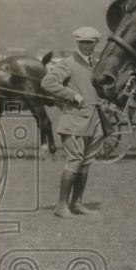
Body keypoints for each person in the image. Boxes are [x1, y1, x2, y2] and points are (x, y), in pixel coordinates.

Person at [41, 26, 106, 218]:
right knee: (74, 161)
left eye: (90, 43)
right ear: (77, 43)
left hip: (95, 121)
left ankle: (77, 203)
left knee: (85, 164)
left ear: (96, 43)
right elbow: (47, 83)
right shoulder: (67, 63)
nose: (86, 46)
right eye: (83, 42)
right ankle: (62, 206)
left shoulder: (96, 64)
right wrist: (72, 95)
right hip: (74, 121)